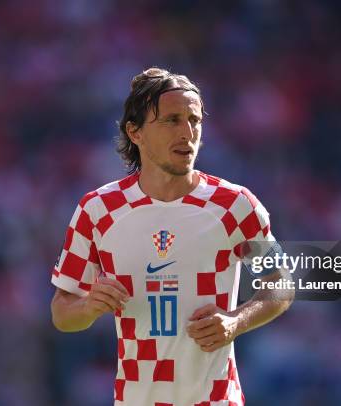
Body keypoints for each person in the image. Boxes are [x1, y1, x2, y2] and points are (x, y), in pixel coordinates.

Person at [50, 67, 293, 406]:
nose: (187, 132)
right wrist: (89, 306)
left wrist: (235, 321)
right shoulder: (99, 210)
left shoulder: (234, 206)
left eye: (194, 120)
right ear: (135, 132)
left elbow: (281, 284)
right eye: (172, 120)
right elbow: (62, 313)